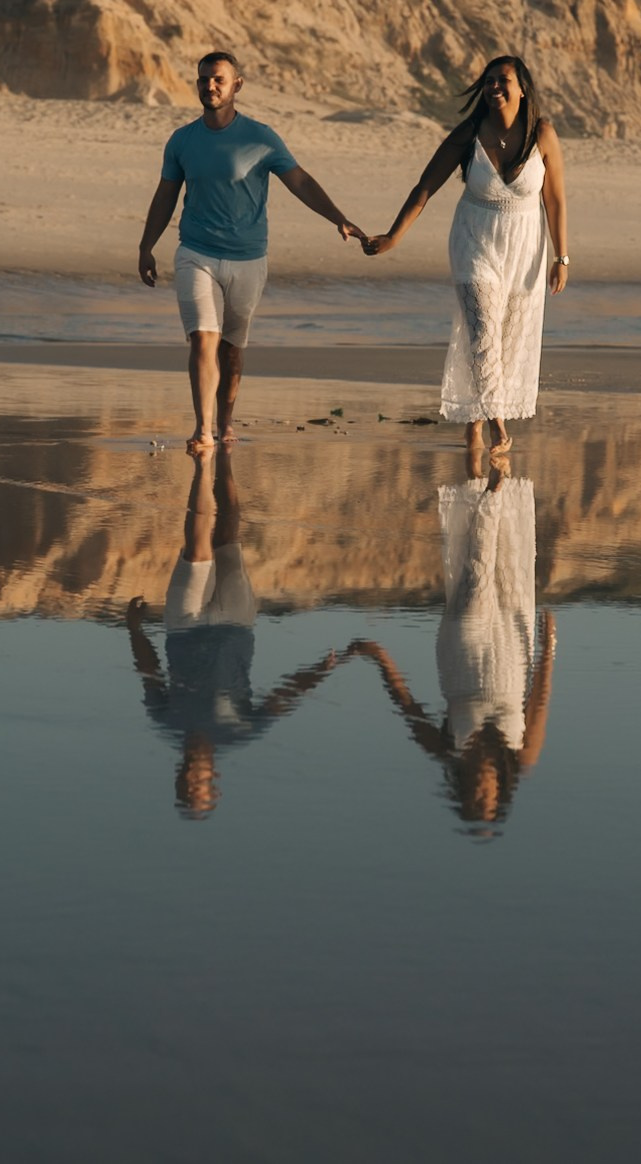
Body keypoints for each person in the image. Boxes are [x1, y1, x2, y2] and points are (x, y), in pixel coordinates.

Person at [137, 51, 365, 455]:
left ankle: (225, 421)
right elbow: (165, 195)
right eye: (203, 79)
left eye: (218, 79)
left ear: (237, 85)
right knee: (202, 338)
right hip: (196, 253)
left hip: (249, 258)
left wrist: (339, 218)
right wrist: (146, 246)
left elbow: (300, 181)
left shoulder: (261, 138)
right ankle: (203, 429)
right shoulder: (182, 140)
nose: (210, 86)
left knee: (232, 348)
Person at [361, 55, 571, 465]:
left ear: (522, 89)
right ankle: (497, 425)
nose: (494, 87)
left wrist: (561, 256)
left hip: (525, 249)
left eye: (503, 80)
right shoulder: (469, 134)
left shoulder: (542, 134)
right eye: (488, 81)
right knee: (483, 333)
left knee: (506, 341)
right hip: (474, 242)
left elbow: (556, 199)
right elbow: (425, 187)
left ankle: (474, 419)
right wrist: (393, 236)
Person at [124, 445, 348, 818]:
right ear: (215, 779)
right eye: (199, 786)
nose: (191, 778)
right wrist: (317, 672)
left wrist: (134, 629)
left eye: (185, 785)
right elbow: (281, 699)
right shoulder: (239, 732)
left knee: (198, 551)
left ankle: (202, 463)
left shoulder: (166, 723)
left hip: (184, 624)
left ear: (177, 776)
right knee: (228, 534)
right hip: (236, 623)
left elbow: (150, 672)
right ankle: (224, 454)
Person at [341, 447, 555, 831]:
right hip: (514, 655)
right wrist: (548, 649)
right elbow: (538, 704)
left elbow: (407, 705)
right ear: (500, 792)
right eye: (486, 800)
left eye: (473, 800)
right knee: (507, 555)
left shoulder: (445, 750)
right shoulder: (522, 757)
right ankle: (479, 463)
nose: (480, 792)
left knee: (476, 572)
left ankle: (494, 487)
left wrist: (377, 655)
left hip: (462, 653)